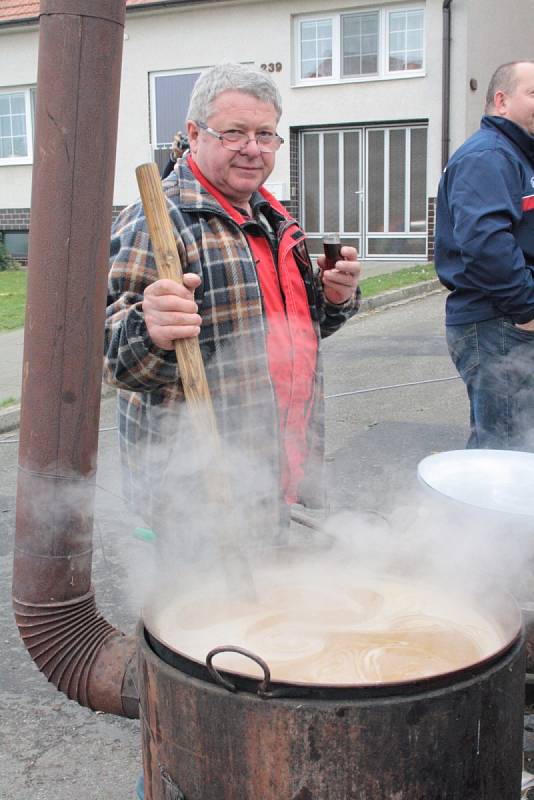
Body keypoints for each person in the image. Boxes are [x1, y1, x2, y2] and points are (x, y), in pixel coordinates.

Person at [103, 63, 361, 553]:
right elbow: (110, 358)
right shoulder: (157, 220)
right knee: (202, 623)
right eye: (235, 133)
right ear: (195, 134)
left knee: (259, 610)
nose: (253, 148)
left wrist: (332, 298)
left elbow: (296, 331)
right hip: (196, 486)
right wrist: (148, 329)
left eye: (265, 134)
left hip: (272, 467)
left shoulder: (272, 216)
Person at [435, 60, 534, 450]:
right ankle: (481, 516)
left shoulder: (516, 155)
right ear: (501, 100)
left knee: (516, 446)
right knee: (503, 454)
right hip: (498, 325)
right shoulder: (489, 156)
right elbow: (485, 245)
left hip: (505, 323)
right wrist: (527, 308)